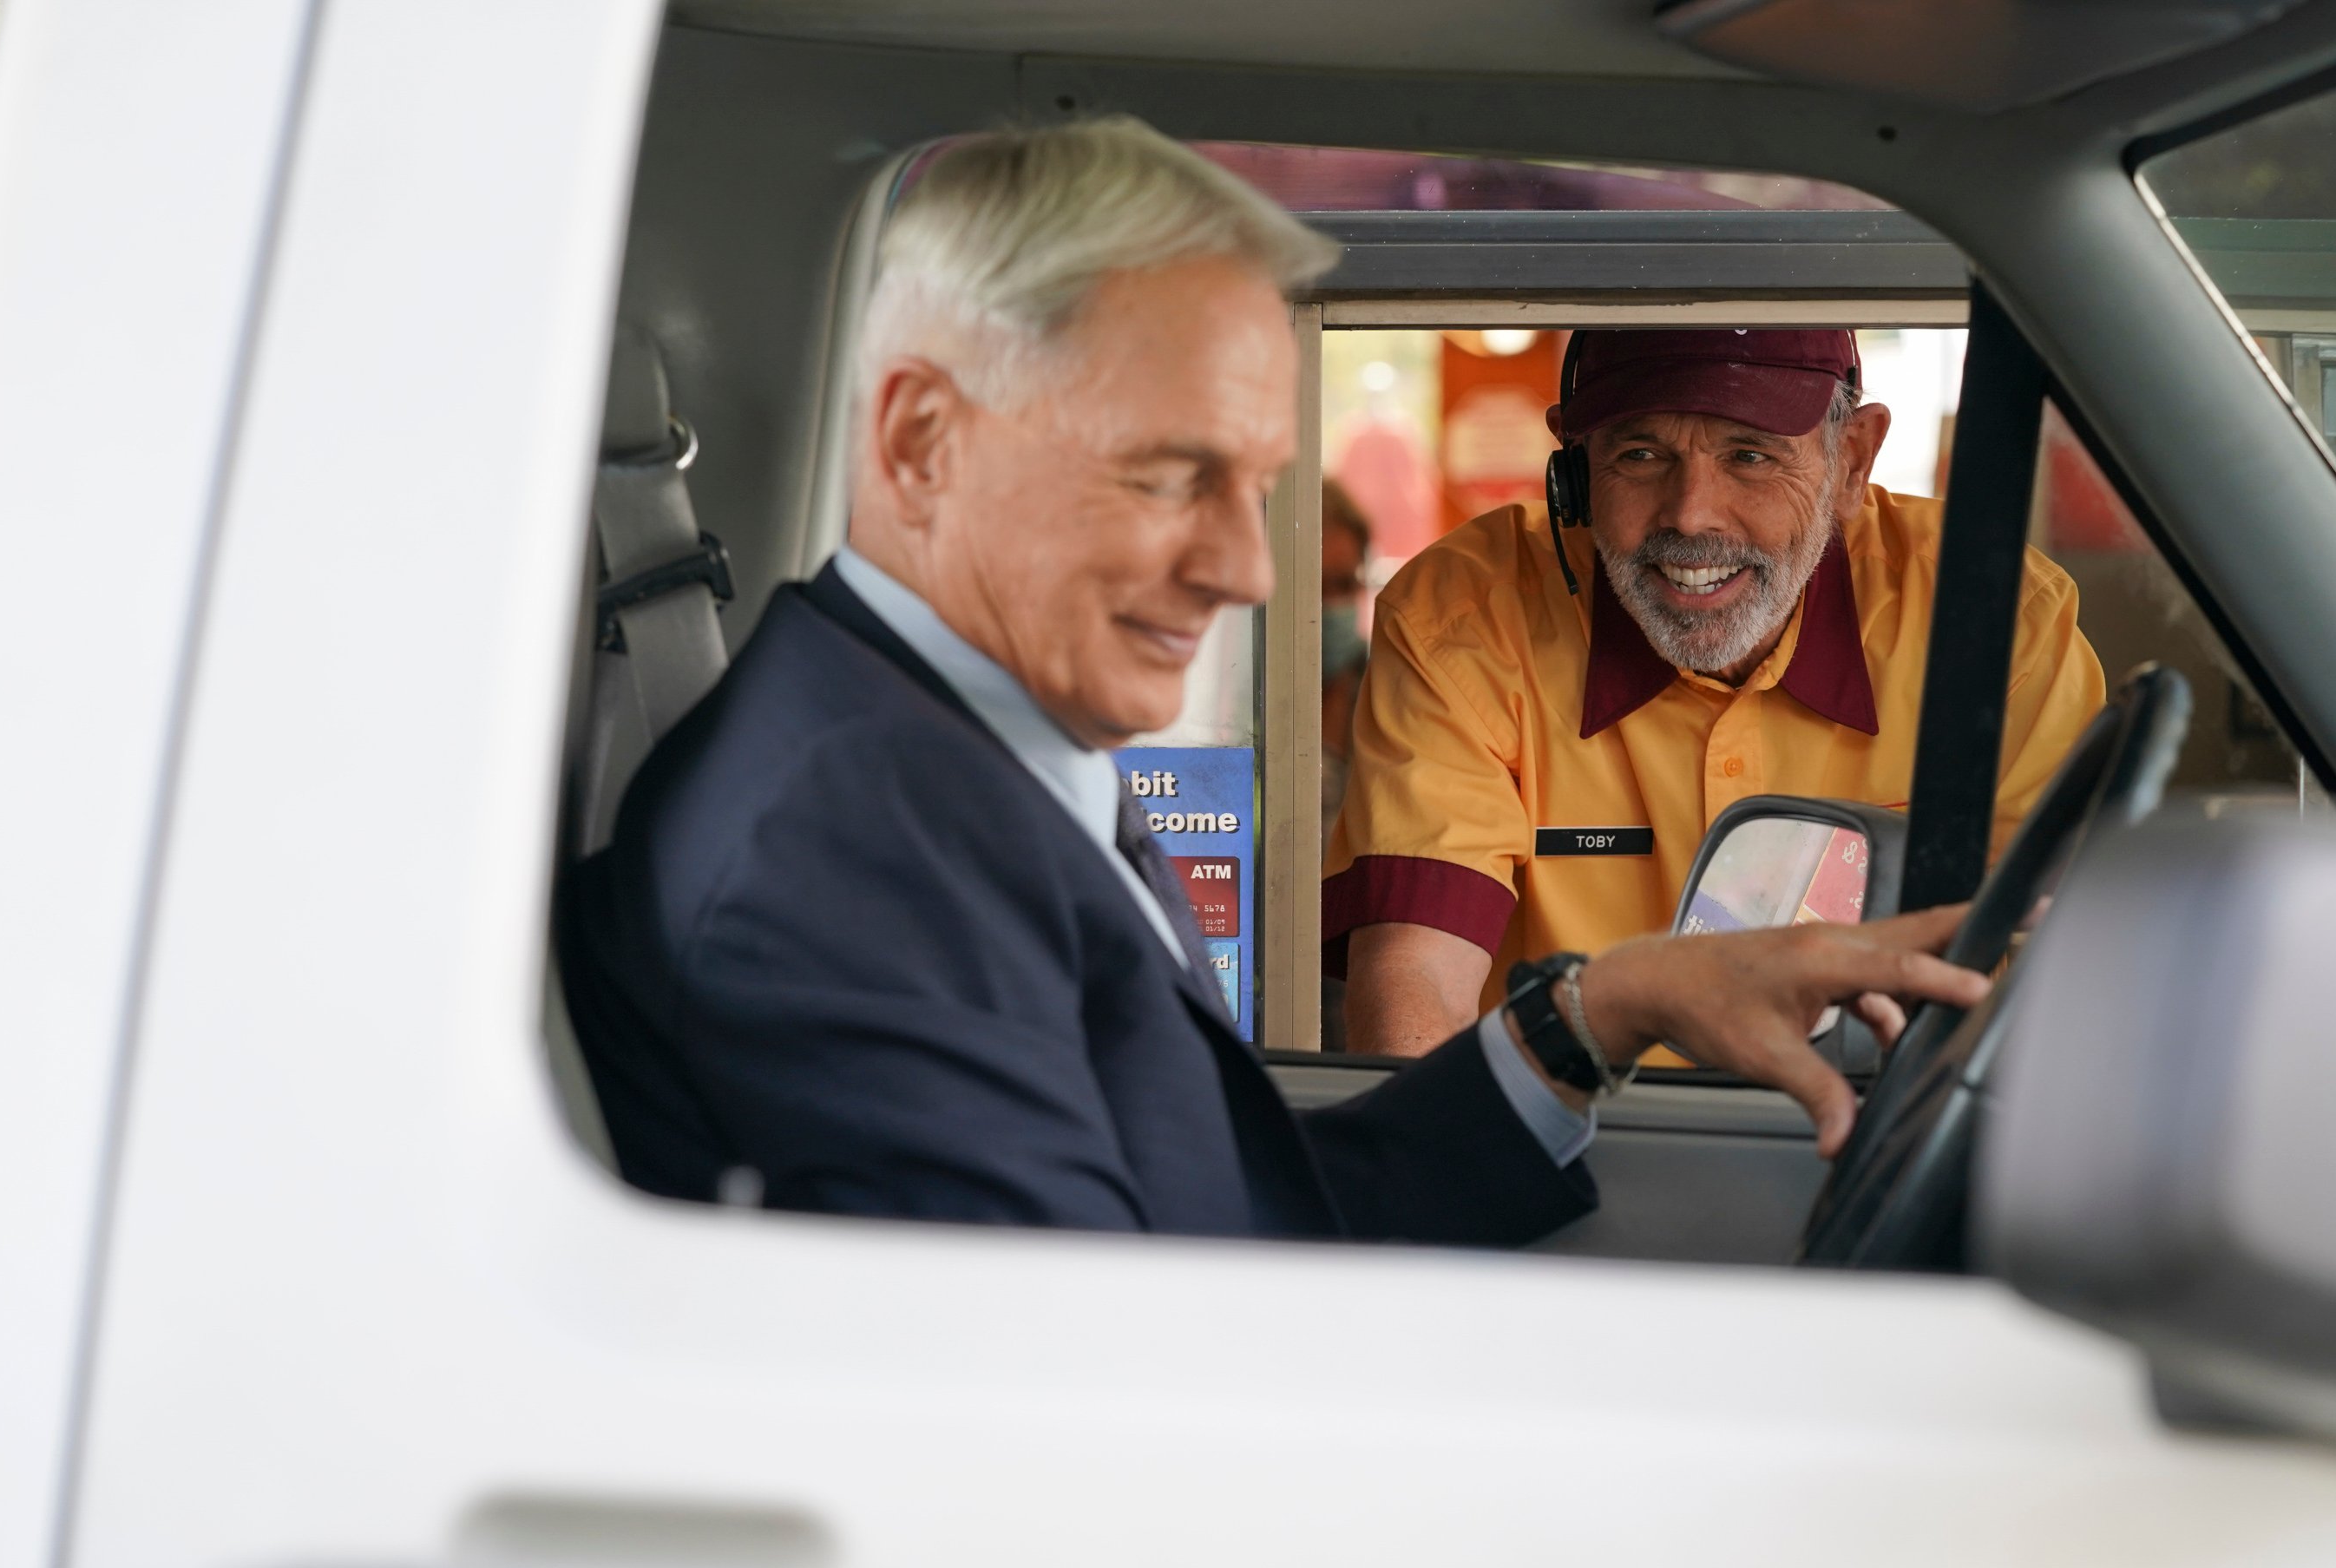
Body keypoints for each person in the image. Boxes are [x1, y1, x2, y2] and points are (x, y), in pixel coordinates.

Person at [556, 118, 1988, 1242]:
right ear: (924, 441)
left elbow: (1220, 1210)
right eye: (1169, 476)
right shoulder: (853, 846)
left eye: (1253, 487)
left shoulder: (949, 758)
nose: (1249, 570)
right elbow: (1088, 1402)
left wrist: (1596, 1010)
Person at [1324, 326, 2106, 1055]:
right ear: (1574, 471)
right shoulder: (1466, 618)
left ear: (1853, 461)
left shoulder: (1993, 619)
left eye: (1750, 456)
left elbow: (2084, 979)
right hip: (1562, 1165)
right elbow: (1415, 979)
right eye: (1638, 455)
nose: (1692, 513)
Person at [1318, 476, 1372, 834]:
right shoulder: (1233, 710)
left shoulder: (1389, 689)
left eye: (1343, 585)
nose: (1331, 603)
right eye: (1317, 587)